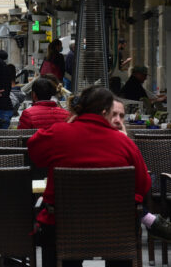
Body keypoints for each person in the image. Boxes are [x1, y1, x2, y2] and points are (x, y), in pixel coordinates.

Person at [27, 86, 151, 267]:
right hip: (115, 229)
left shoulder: (58, 134)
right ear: (105, 112)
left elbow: (35, 153)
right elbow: (143, 184)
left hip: (64, 227)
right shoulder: (123, 142)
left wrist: (68, 125)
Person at [108, 99, 171, 241]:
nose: (118, 120)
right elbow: (143, 182)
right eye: (114, 115)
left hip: (89, 213)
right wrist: (125, 142)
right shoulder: (121, 144)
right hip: (116, 208)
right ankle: (151, 221)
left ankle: (150, 221)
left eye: (121, 116)